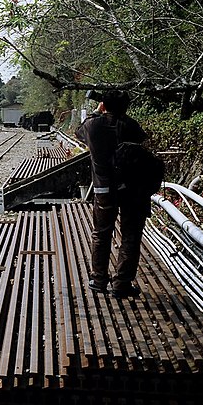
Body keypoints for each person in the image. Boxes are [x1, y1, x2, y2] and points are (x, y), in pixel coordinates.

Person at [75, 90, 148, 299]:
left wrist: (96, 113)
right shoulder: (130, 126)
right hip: (132, 188)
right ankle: (122, 284)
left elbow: (78, 132)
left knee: (101, 232)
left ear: (103, 105)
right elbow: (141, 139)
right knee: (131, 235)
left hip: (103, 189)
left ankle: (98, 280)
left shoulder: (93, 125)